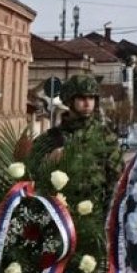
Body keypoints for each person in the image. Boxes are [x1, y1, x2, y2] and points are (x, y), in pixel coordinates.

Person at [29, 72, 123, 212]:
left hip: (96, 213)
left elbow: (116, 180)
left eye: (91, 98)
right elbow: (32, 175)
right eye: (81, 98)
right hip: (60, 213)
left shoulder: (106, 137)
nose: (87, 103)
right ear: (69, 101)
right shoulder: (52, 138)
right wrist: (50, 162)